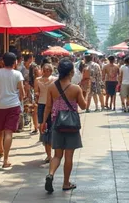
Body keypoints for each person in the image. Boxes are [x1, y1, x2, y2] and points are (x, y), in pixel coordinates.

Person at [42, 59, 87, 193]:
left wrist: (43, 122)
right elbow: (84, 106)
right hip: (71, 125)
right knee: (69, 156)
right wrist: (85, 92)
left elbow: (48, 106)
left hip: (57, 123)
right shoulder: (75, 88)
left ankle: (50, 174)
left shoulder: (51, 87)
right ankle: (66, 183)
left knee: (57, 155)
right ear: (71, 72)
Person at [0, 52, 25, 169]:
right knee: (8, 132)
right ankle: (6, 160)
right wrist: (20, 100)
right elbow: (22, 92)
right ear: (15, 62)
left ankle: (0, 150)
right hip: (13, 105)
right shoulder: (18, 74)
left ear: (3, 61)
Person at [35, 63, 56, 164]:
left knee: (51, 128)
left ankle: (51, 150)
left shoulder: (55, 79)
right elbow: (36, 92)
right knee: (43, 128)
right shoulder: (38, 80)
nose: (46, 71)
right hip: (41, 105)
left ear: (51, 71)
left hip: (52, 105)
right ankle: (48, 153)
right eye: (45, 69)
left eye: (48, 70)